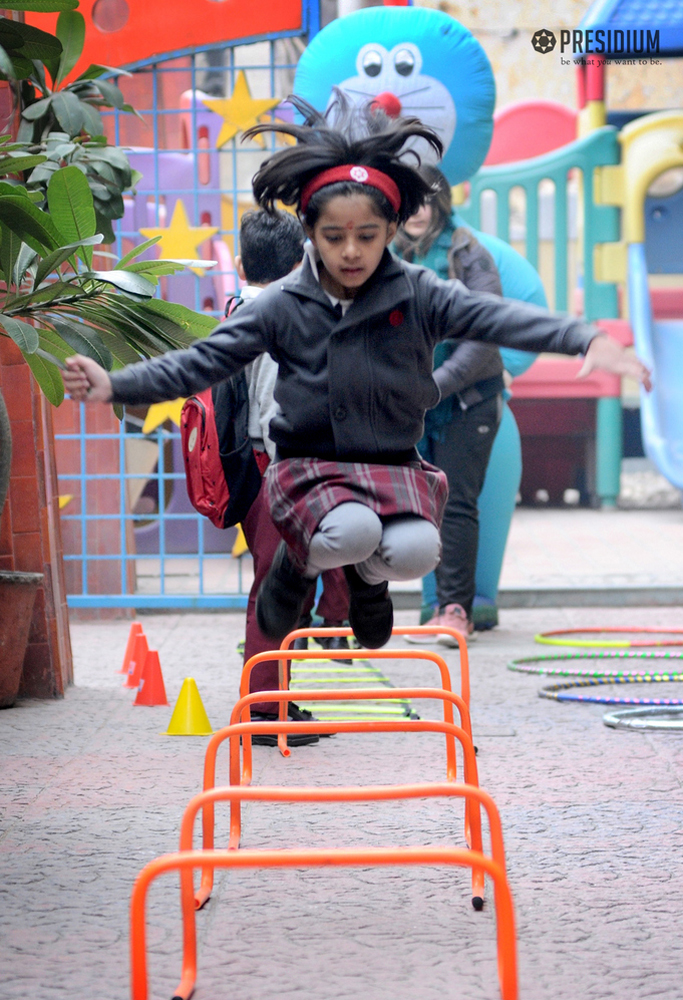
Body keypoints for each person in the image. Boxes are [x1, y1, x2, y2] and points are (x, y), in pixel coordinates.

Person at [61, 92, 651, 671]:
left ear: (391, 228)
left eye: (366, 236)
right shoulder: (282, 303)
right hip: (308, 466)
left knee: (415, 549)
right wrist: (114, 384)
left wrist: (586, 339)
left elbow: (496, 316)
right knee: (351, 530)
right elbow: (200, 362)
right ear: (309, 232)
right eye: (333, 236)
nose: (350, 252)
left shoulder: (419, 291)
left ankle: (370, 585)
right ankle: (298, 568)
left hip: (390, 463)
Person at [233, 208, 350, 745]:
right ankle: (264, 712)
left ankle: (279, 700)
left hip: (260, 470)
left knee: (286, 588)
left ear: (240, 262)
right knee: (276, 590)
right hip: (281, 469)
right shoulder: (282, 316)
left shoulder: (242, 308)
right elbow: (273, 408)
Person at [394, 165, 505, 644]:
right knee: (417, 506)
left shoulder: (466, 251)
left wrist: (434, 385)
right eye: (409, 202)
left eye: (426, 201)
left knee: (456, 502)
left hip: (469, 401)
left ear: (439, 204)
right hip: (412, 406)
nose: (417, 212)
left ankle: (456, 610)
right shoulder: (386, 254)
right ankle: (433, 605)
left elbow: (486, 335)